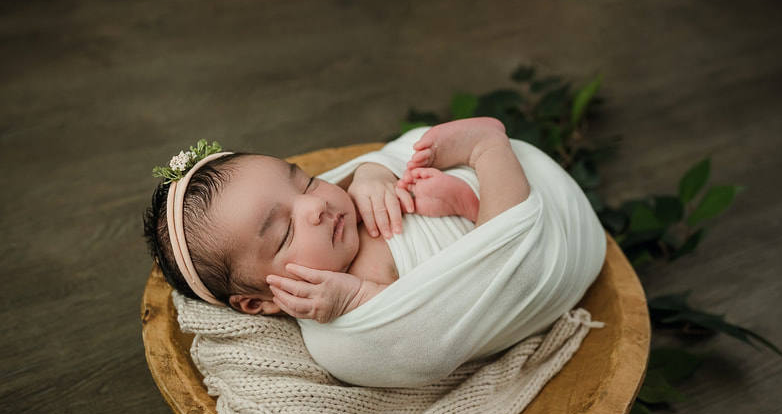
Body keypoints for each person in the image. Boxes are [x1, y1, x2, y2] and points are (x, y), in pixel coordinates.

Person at [144, 117, 522, 324]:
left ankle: (467, 201)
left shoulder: (348, 201)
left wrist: (374, 171)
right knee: (501, 262)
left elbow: (378, 161)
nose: (315, 206)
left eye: (305, 181)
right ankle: (488, 151)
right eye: (286, 232)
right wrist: (357, 300)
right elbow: (429, 325)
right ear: (259, 302)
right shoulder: (336, 310)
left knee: (411, 171)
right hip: (498, 264)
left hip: (461, 208)